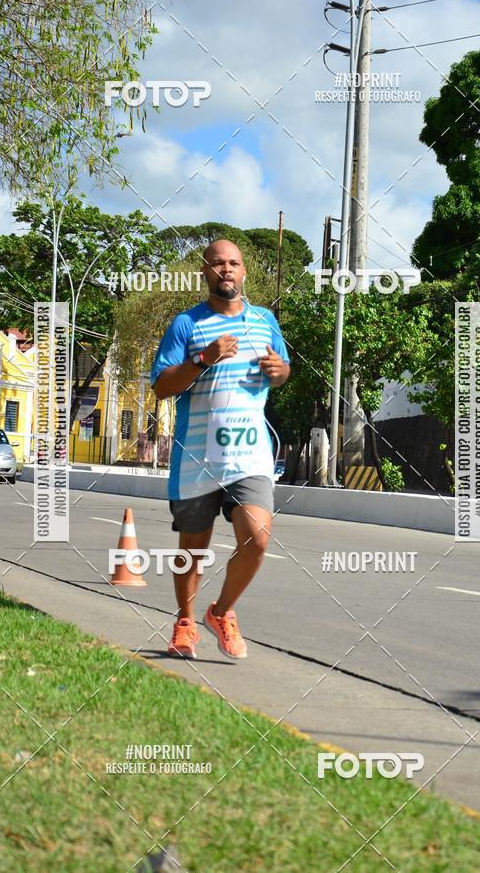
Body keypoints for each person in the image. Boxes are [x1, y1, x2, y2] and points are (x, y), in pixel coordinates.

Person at [151, 239, 290, 659]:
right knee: (193, 550)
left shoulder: (265, 322)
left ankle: (222, 612)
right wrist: (203, 359)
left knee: (258, 539)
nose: (226, 270)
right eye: (217, 264)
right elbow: (161, 386)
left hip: (249, 456)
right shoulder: (186, 324)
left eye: (233, 263)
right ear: (205, 273)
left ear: (244, 272)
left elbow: (283, 371)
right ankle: (185, 622)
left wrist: (279, 371)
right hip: (196, 456)